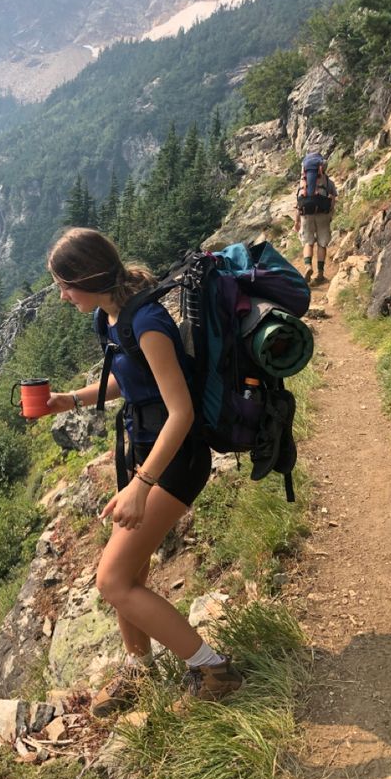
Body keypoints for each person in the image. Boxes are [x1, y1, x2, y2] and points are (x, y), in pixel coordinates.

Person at [45, 227, 243, 717]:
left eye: (64, 285)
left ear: (87, 278)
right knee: (131, 568)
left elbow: (182, 412)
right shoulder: (110, 317)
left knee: (112, 580)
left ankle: (214, 669)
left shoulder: (148, 321)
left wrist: (141, 485)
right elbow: (128, 380)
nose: (62, 295)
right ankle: (139, 668)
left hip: (176, 460)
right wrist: (68, 401)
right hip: (145, 453)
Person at [294, 151, 337, 286]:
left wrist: (297, 221)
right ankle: (320, 273)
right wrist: (330, 213)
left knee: (308, 242)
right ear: (322, 167)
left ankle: (308, 266)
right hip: (323, 214)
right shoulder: (327, 181)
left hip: (306, 214)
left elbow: (298, 203)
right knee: (322, 244)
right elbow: (333, 199)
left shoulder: (303, 183)